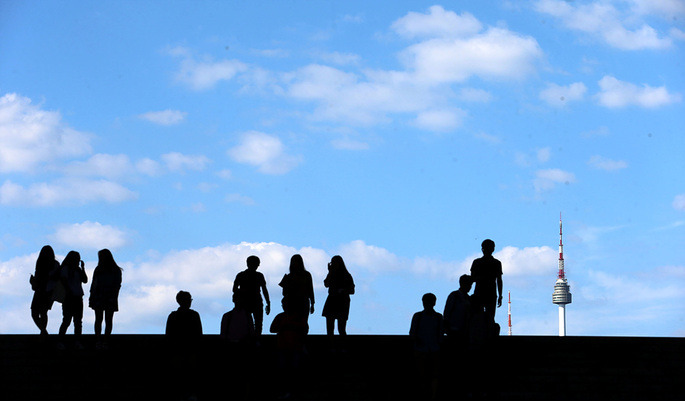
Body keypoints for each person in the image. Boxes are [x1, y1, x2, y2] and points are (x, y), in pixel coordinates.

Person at [165, 291, 203, 401]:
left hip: (177, 351)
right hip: (191, 350)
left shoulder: (173, 316)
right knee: (191, 375)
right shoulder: (194, 315)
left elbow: (168, 335)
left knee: (179, 375)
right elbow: (199, 334)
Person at [270, 298, 309, 400]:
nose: (284, 306)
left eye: (285, 304)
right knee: (285, 371)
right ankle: (286, 391)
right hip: (283, 347)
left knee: (292, 371)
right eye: (283, 304)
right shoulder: (281, 317)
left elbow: (305, 330)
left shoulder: (297, 317)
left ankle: (291, 391)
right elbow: (272, 329)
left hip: (294, 348)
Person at [409, 293, 443, 401]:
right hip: (432, 349)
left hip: (423, 350)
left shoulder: (418, 316)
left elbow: (412, 333)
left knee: (423, 375)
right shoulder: (438, 317)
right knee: (431, 375)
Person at [89, 249, 122, 346]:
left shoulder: (99, 269)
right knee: (108, 319)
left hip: (99, 296)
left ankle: (98, 340)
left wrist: (92, 296)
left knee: (99, 319)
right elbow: (117, 285)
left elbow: (94, 284)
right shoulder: (116, 270)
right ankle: (105, 340)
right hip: (110, 297)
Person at [232, 255, 270, 336]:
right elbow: (264, 290)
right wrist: (268, 303)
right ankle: (256, 339)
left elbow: (234, 289)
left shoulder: (241, 275)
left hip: (246, 302)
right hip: (255, 302)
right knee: (257, 324)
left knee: (248, 323)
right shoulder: (259, 275)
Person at [470, 239, 503, 327]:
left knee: (478, 318)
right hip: (490, 293)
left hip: (480, 293)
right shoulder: (496, 263)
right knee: (489, 318)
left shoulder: (477, 262)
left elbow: (472, 278)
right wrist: (500, 295)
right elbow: (499, 280)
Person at [58, 251, 88, 341]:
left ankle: (65, 340)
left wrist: (82, 268)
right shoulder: (66, 269)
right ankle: (64, 340)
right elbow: (64, 282)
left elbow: (85, 280)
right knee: (69, 320)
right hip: (71, 297)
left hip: (75, 296)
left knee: (74, 321)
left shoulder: (76, 270)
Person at [30, 245, 60, 335]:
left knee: (37, 312)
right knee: (42, 312)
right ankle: (43, 331)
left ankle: (43, 331)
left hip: (43, 290)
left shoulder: (41, 263)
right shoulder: (54, 264)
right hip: (45, 290)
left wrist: (34, 282)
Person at [322, 255, 355, 337]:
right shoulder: (346, 275)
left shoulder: (343, 275)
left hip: (336, 301)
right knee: (340, 328)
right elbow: (326, 284)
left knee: (333, 328)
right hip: (340, 301)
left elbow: (326, 284)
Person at [278, 254, 314, 320]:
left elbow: (284, 293)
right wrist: (312, 304)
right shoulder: (307, 275)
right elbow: (310, 290)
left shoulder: (288, 277)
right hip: (303, 302)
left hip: (292, 303)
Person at [443, 274, 473, 346]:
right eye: (468, 284)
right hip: (453, 330)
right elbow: (447, 312)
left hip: (465, 331)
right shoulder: (454, 295)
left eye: (470, 285)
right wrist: (447, 328)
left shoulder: (469, 299)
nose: (469, 287)